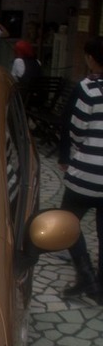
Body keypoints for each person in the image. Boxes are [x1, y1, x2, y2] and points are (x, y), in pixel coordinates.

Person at [58, 36, 103, 304]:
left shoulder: (88, 87)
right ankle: (99, 288)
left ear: (90, 58)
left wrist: (73, 152)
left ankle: (86, 278)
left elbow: (76, 128)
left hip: (86, 173)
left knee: (68, 224)